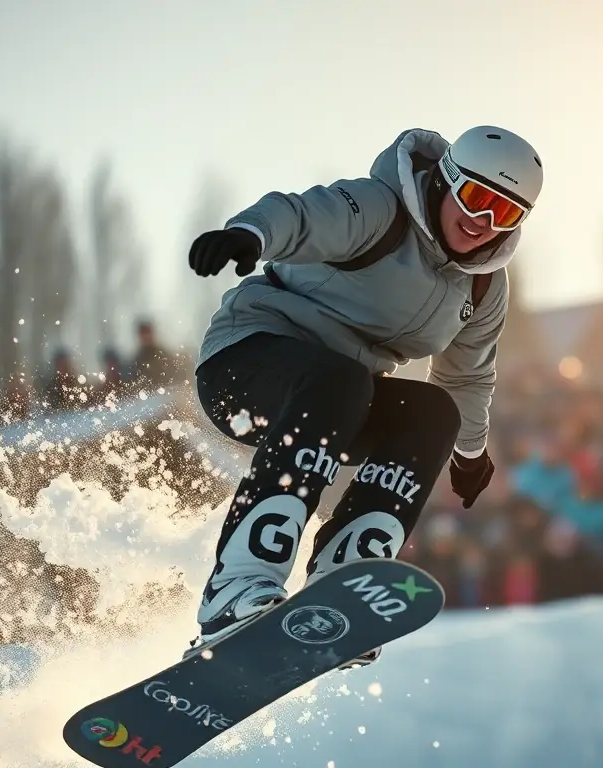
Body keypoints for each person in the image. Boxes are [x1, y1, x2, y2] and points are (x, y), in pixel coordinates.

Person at [186, 125, 544, 666]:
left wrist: (468, 453)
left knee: (430, 413)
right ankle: (236, 587)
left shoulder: (483, 285)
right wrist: (250, 234)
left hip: (337, 405)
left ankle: (343, 576)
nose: (483, 222)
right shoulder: (382, 210)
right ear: (446, 180)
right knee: (341, 381)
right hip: (246, 365)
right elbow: (302, 216)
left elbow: (466, 377)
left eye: (505, 213)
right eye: (475, 198)